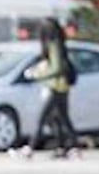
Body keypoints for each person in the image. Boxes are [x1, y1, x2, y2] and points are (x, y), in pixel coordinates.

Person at [15, 18, 79, 159]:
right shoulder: (61, 43)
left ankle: (30, 148)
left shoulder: (53, 45)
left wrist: (38, 75)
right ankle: (68, 147)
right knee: (61, 118)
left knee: (43, 118)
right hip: (63, 86)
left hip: (55, 86)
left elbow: (56, 68)